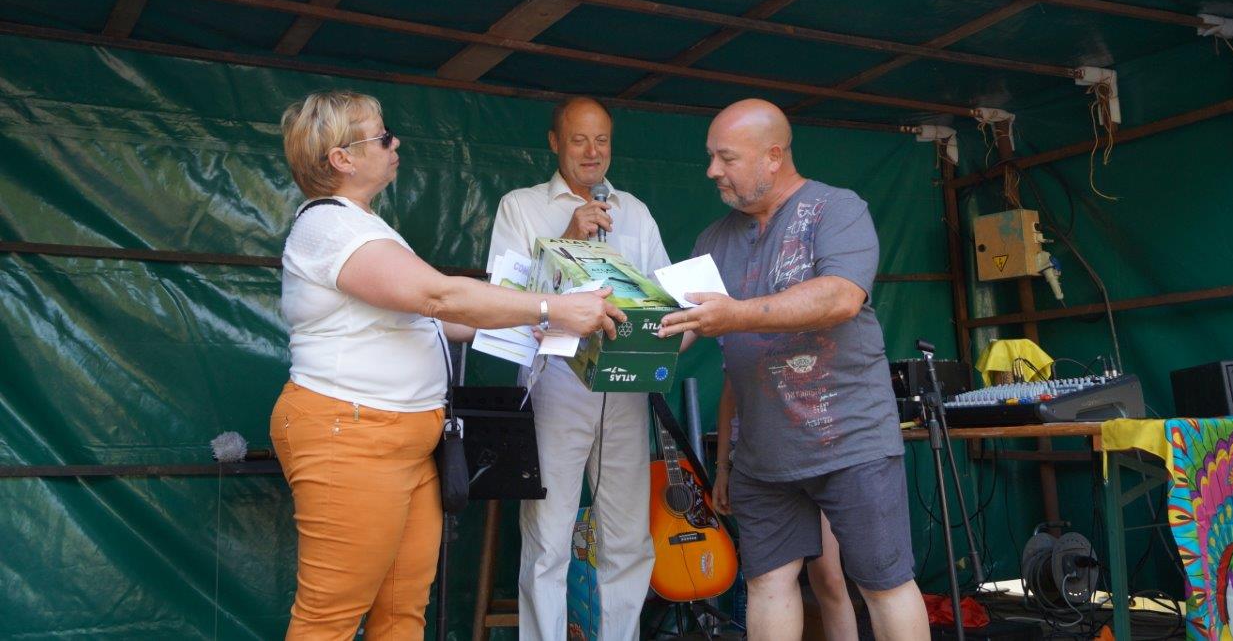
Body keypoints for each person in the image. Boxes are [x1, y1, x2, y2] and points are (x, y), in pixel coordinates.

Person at [269, 90, 623, 640]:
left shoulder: (367, 227)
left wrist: (527, 318)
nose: (396, 143)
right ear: (342, 158)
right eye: (383, 136)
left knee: (402, 610)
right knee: (330, 618)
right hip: (351, 432)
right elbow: (439, 298)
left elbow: (439, 320)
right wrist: (554, 308)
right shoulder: (329, 226)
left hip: (405, 437)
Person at [660, 98, 928, 641]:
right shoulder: (712, 240)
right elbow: (689, 331)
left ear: (773, 156)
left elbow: (841, 297)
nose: (712, 170)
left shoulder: (838, 208)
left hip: (849, 441)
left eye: (726, 158)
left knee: (884, 584)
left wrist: (733, 313)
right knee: (767, 584)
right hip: (762, 453)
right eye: (712, 157)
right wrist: (607, 334)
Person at [487, 96, 671, 641]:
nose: (592, 152)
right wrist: (567, 240)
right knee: (548, 534)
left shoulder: (634, 210)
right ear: (553, 143)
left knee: (628, 537)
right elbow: (502, 304)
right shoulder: (520, 206)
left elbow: (663, 292)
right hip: (556, 383)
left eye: (602, 140)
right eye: (578, 140)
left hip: (626, 385)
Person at [712, 377, 859, 641]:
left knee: (830, 578)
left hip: (815, 453)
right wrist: (722, 467)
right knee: (769, 583)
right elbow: (729, 392)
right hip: (758, 462)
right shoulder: (729, 337)